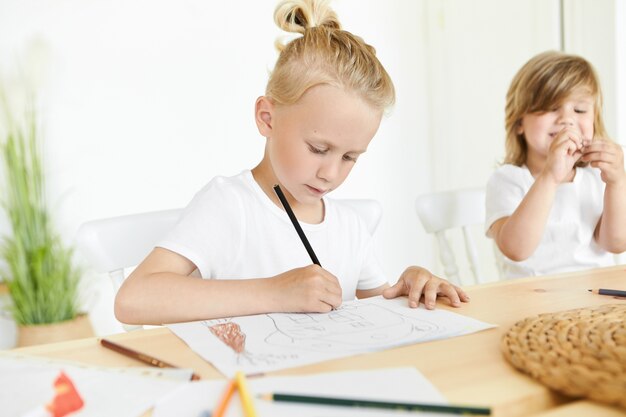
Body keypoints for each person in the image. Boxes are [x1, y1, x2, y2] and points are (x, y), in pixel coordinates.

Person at [115, 0, 468, 325]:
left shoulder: (350, 228)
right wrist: (275, 292)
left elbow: (376, 309)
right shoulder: (229, 205)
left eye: (349, 157)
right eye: (317, 148)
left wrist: (412, 286)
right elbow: (133, 300)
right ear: (267, 118)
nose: (330, 173)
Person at [486, 51, 626, 279]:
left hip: (595, 299)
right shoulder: (508, 180)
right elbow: (516, 249)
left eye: (579, 110)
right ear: (519, 122)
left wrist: (618, 182)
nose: (566, 119)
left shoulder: (595, 177)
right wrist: (550, 177)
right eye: (552, 108)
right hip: (530, 301)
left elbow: (616, 243)